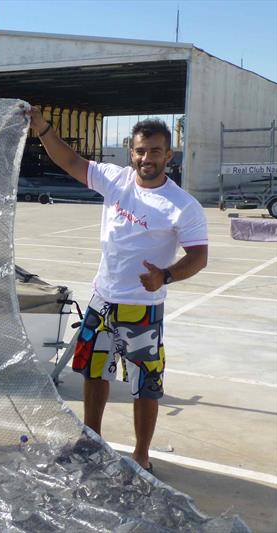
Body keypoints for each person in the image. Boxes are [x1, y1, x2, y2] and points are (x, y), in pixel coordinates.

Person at [27, 107, 208, 473]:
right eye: (141, 151)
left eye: (155, 151)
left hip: (142, 309)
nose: (147, 158)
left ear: (168, 155)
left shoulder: (183, 206)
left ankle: (141, 455)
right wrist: (44, 128)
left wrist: (166, 276)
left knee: (145, 383)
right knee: (94, 373)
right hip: (102, 300)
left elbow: (199, 256)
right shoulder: (115, 180)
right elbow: (70, 161)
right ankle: (90, 440)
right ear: (132, 151)